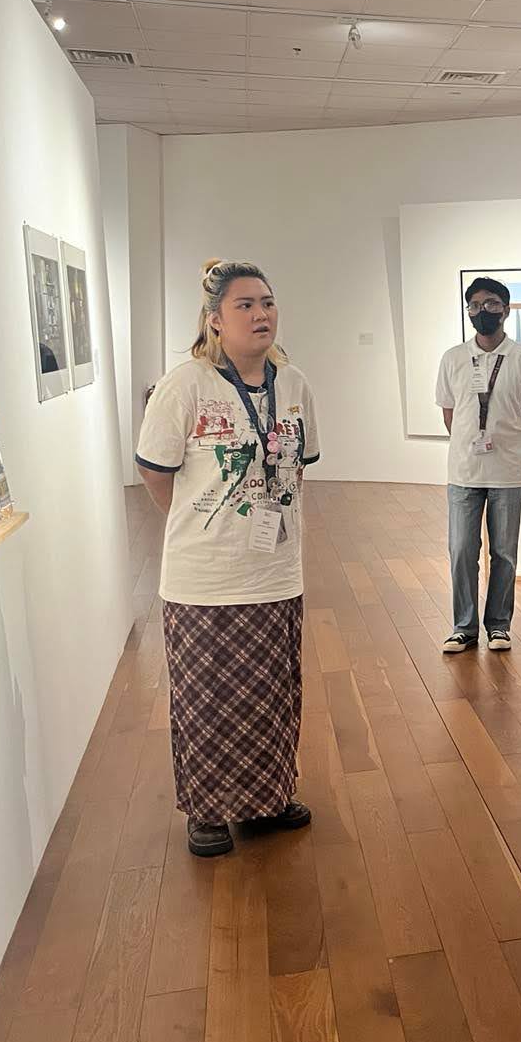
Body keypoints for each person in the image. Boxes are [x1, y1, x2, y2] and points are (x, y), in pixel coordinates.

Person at [135, 260, 321, 858]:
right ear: (215, 321)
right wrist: (199, 525)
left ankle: (267, 798)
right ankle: (210, 810)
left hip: (276, 571)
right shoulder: (184, 385)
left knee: (273, 692)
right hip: (203, 578)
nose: (262, 313)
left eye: (267, 302)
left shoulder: (293, 386)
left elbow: (299, 467)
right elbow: (154, 473)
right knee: (206, 697)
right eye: (245, 305)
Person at [436, 277, 521, 654]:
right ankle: (463, 627)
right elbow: (450, 415)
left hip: (509, 472)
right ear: (468, 312)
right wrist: (473, 444)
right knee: (462, 550)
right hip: (463, 471)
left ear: (507, 309)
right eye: (476, 305)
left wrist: (515, 453)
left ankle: (499, 625)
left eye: (492, 304)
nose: (484, 311)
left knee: (504, 552)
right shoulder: (453, 358)